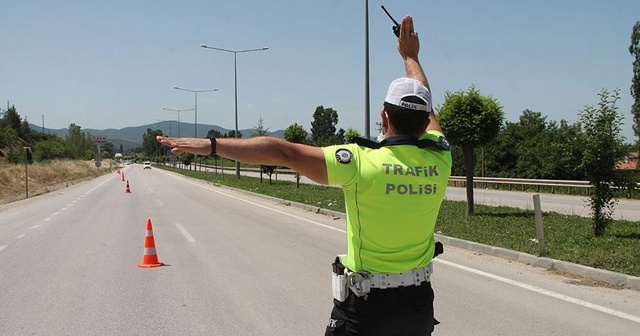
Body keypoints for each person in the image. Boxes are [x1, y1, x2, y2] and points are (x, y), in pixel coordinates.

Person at [156, 15, 451, 336]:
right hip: (417, 306)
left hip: (367, 308)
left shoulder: (360, 162)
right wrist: (411, 57)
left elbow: (283, 152)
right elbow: (426, 101)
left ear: (383, 116)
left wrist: (211, 145)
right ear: (425, 125)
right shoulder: (440, 156)